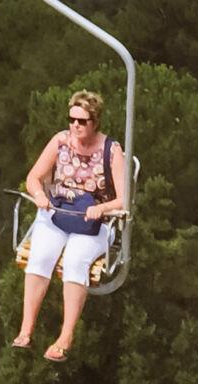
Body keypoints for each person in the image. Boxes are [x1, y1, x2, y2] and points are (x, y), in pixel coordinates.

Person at [14, 90, 128, 363]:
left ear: (95, 122)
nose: (75, 126)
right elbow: (34, 177)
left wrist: (101, 207)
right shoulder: (60, 141)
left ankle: (66, 336)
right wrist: (40, 194)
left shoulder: (111, 151)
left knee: (76, 260)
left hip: (92, 221)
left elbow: (124, 199)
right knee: (41, 255)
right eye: (72, 119)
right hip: (59, 213)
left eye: (82, 121)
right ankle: (26, 328)